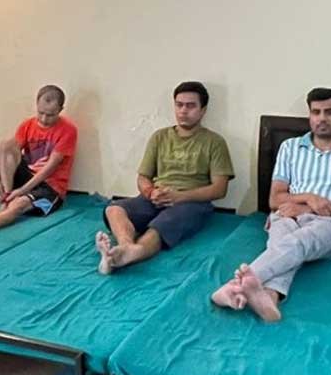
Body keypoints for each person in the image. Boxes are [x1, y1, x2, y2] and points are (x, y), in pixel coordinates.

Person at [212, 87, 331, 323]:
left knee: (296, 243)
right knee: (283, 244)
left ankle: (233, 287)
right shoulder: (290, 147)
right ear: (309, 116)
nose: (322, 118)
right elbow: (275, 199)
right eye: (316, 112)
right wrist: (308, 197)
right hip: (287, 214)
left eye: (329, 112)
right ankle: (269, 298)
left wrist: (307, 208)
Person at [96, 81, 234, 273]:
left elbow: (220, 189)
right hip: (156, 197)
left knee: (161, 226)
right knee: (114, 209)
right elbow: (143, 177)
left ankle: (135, 252)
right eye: (179, 105)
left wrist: (179, 197)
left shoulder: (215, 142)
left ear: (203, 110)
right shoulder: (159, 137)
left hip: (191, 203)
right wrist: (150, 192)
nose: (183, 111)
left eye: (190, 106)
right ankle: (125, 246)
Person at [0, 85, 77, 238]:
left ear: (60, 110)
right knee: (6, 144)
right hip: (28, 175)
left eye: (50, 115)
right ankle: (6, 199)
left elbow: (50, 168)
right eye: (41, 113)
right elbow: (6, 153)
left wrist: (22, 191)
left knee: (19, 204)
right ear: (36, 105)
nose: (44, 119)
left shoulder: (68, 130)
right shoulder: (28, 125)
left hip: (50, 186)